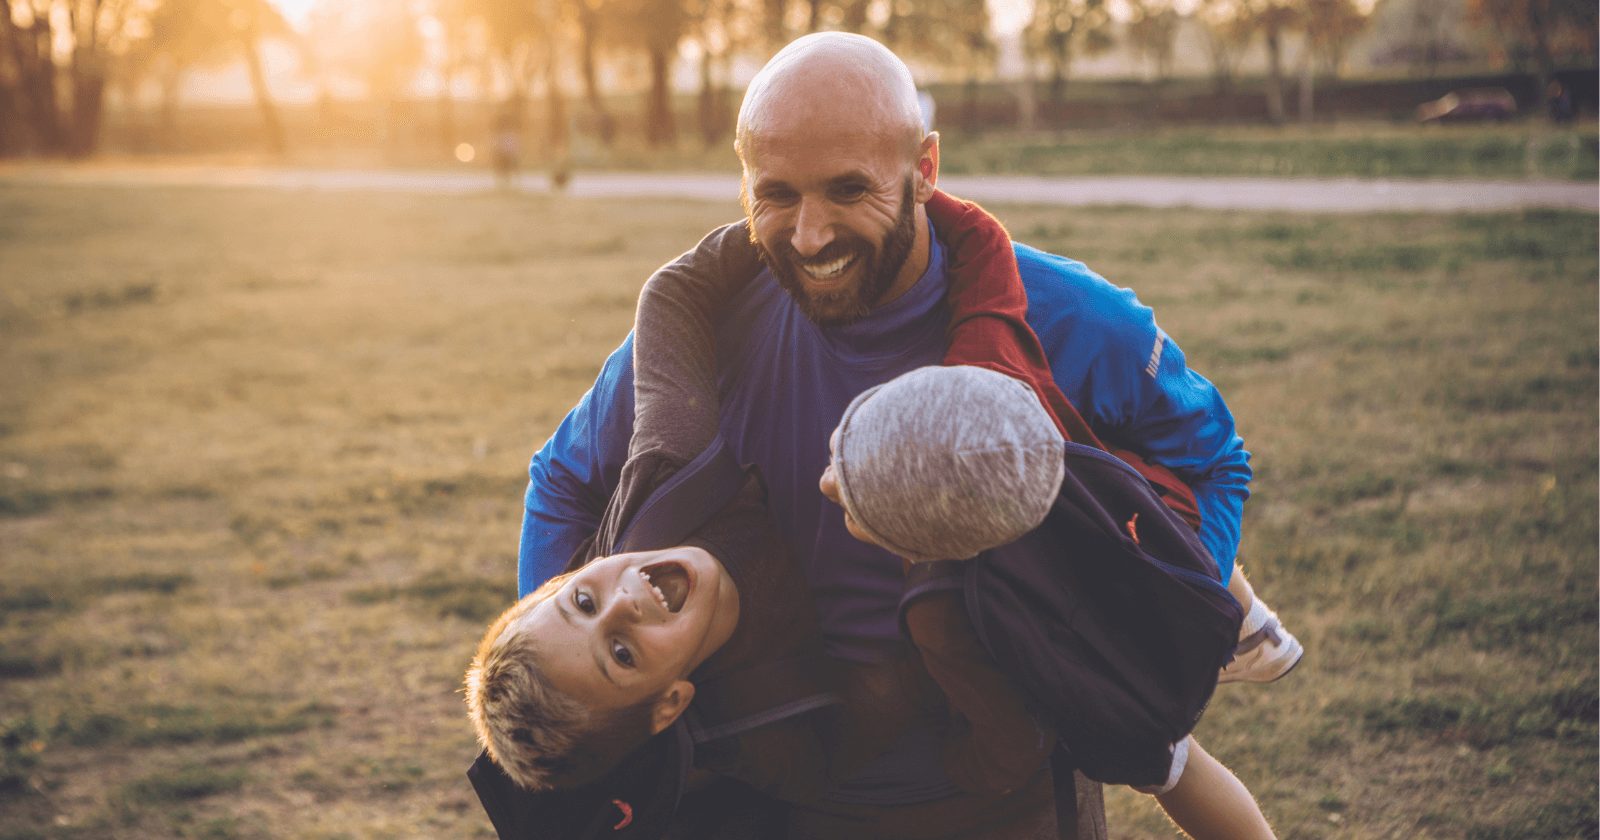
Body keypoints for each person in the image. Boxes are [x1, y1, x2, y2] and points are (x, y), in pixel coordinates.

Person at [518, 31, 1295, 836]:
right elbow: (563, 477)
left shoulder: (1061, 311)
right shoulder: (702, 330)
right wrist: (568, 690)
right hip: (770, 794)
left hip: (1008, 792)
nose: (809, 235)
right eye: (775, 194)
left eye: (847, 190)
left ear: (924, 170)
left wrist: (1146, 620)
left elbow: (1209, 457)